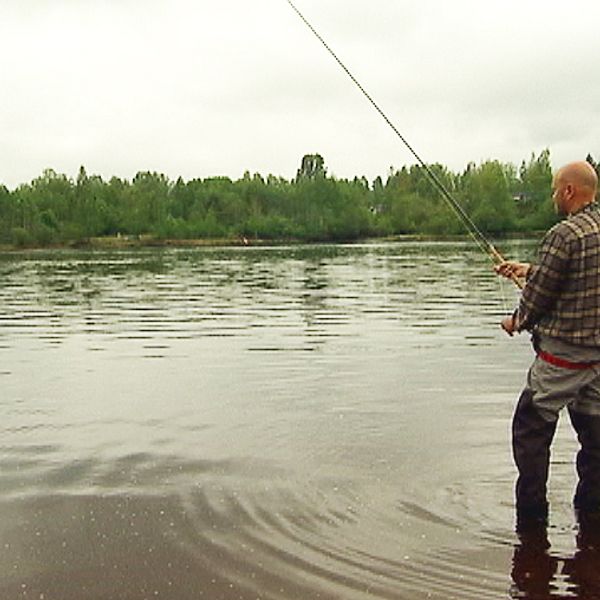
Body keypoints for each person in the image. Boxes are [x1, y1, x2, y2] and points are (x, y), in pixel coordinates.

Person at [496, 160, 600, 530]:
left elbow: (537, 300)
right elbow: (574, 276)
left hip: (563, 359)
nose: (555, 195)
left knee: (530, 429)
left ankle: (532, 521)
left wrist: (516, 321)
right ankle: (590, 519)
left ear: (569, 191)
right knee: (596, 445)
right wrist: (527, 269)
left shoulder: (564, 234)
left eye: (557, 189)